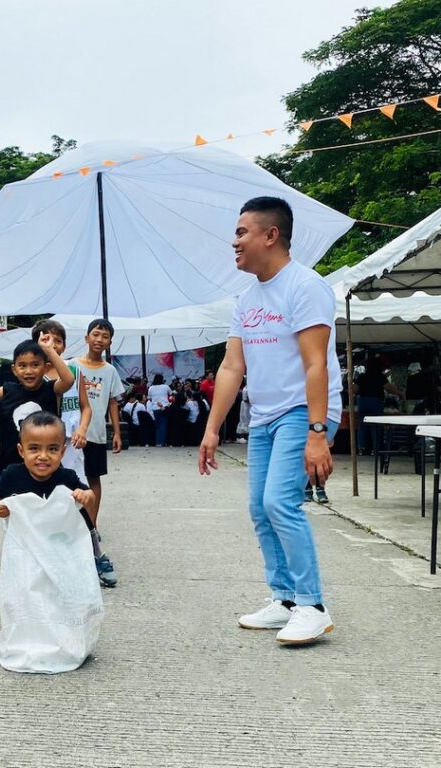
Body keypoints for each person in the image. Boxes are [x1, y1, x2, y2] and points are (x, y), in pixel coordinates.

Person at [199, 196, 342, 646]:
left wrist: (318, 434)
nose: (234, 242)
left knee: (282, 504)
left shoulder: (305, 286)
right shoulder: (246, 298)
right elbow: (230, 367)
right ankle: (283, 600)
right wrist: (212, 428)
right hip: (264, 416)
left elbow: (316, 364)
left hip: (304, 411)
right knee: (260, 509)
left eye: (242, 232)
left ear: (270, 235)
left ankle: (312, 606)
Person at [0, 336, 75, 586]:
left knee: (57, 509)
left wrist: (50, 351)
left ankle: (76, 555)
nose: (29, 370)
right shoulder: (8, 390)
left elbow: (69, 380)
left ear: (44, 367)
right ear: (14, 369)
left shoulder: (50, 389)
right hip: (8, 467)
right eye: (22, 365)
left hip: (45, 467)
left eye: (35, 364)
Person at [75, 318, 125, 587]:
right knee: (71, 480)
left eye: (104, 336)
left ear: (109, 342)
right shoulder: (73, 365)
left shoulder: (110, 372)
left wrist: (115, 432)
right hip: (73, 435)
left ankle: (90, 526)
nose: (99, 339)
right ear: (86, 338)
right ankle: (71, 525)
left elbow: (113, 402)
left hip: (96, 434)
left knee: (94, 480)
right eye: (95, 334)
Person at [0, 411, 95, 523]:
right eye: (34, 448)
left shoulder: (67, 478)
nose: (43, 456)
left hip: (58, 536)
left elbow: (90, 495)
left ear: (62, 452)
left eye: (52, 449)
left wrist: (86, 496)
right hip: (23, 538)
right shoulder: (12, 475)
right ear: (21, 451)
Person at [30, 319, 92, 485]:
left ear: (64, 346)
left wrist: (82, 429)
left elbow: (86, 407)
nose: (53, 345)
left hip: (72, 441)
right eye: (47, 339)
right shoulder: (33, 375)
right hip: (45, 441)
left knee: (76, 487)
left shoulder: (74, 371)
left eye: (58, 341)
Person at [148, 373, 172, 446]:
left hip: (155, 408)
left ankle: (158, 441)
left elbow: (149, 398)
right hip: (164, 407)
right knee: (163, 425)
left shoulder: (151, 388)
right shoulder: (166, 387)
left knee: (158, 426)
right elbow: (171, 394)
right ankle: (162, 442)